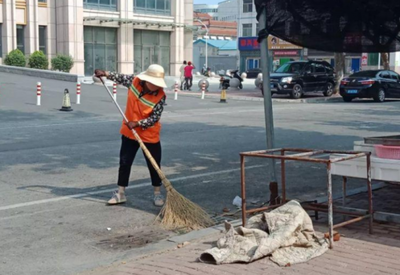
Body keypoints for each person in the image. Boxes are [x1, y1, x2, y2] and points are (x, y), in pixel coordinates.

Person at [94, 64, 167, 207]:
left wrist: (138, 123)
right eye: (153, 83)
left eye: (157, 84)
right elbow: (120, 77)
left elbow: (154, 118)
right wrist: (105, 73)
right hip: (129, 132)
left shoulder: (160, 96)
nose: (155, 86)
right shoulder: (134, 82)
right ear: (146, 80)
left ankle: (157, 193)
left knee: (154, 164)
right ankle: (120, 193)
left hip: (149, 134)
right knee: (125, 162)